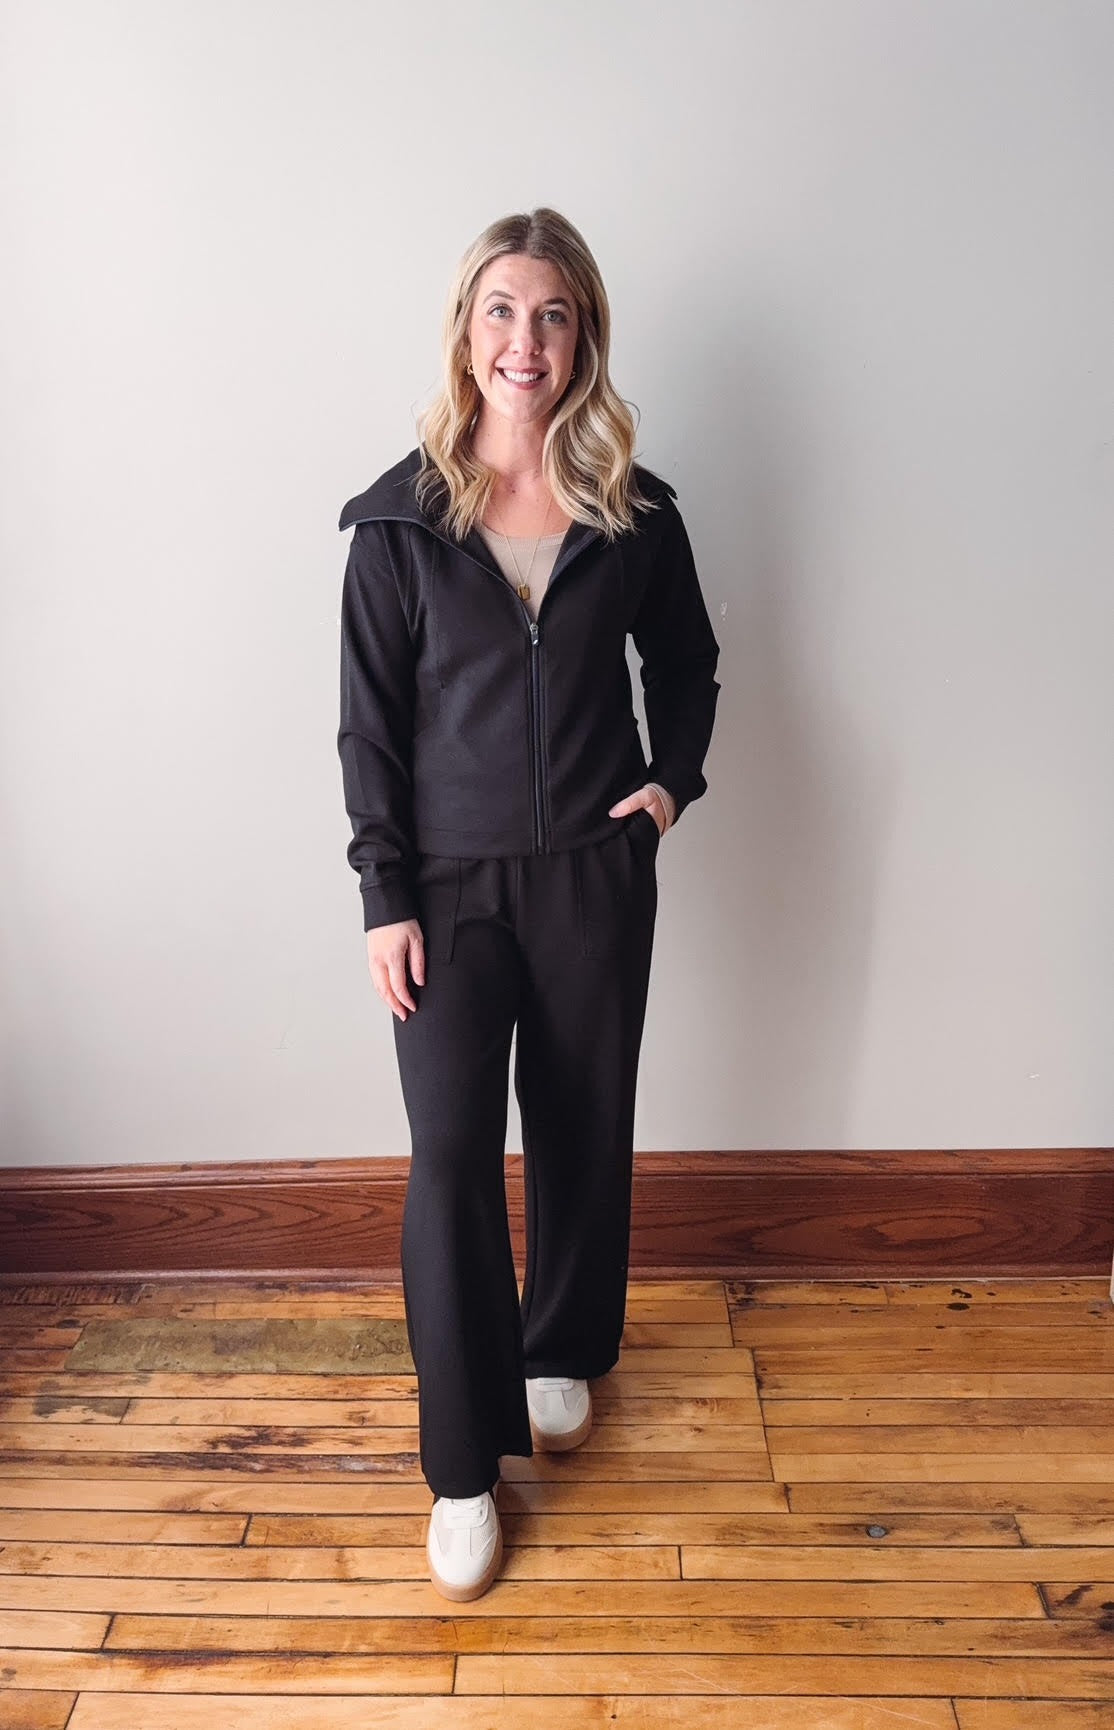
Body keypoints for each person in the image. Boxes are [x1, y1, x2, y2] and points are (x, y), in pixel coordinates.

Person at [336, 207, 720, 1601]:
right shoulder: (398, 521)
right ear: (466, 334)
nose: (525, 340)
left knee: (580, 1116)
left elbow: (688, 664)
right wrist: (384, 891)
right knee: (449, 1154)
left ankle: (562, 1344)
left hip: (592, 876)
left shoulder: (635, 512)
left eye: (553, 314)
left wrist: (667, 787)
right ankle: (461, 1468)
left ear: (582, 338)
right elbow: (369, 726)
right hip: (445, 887)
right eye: (501, 310)